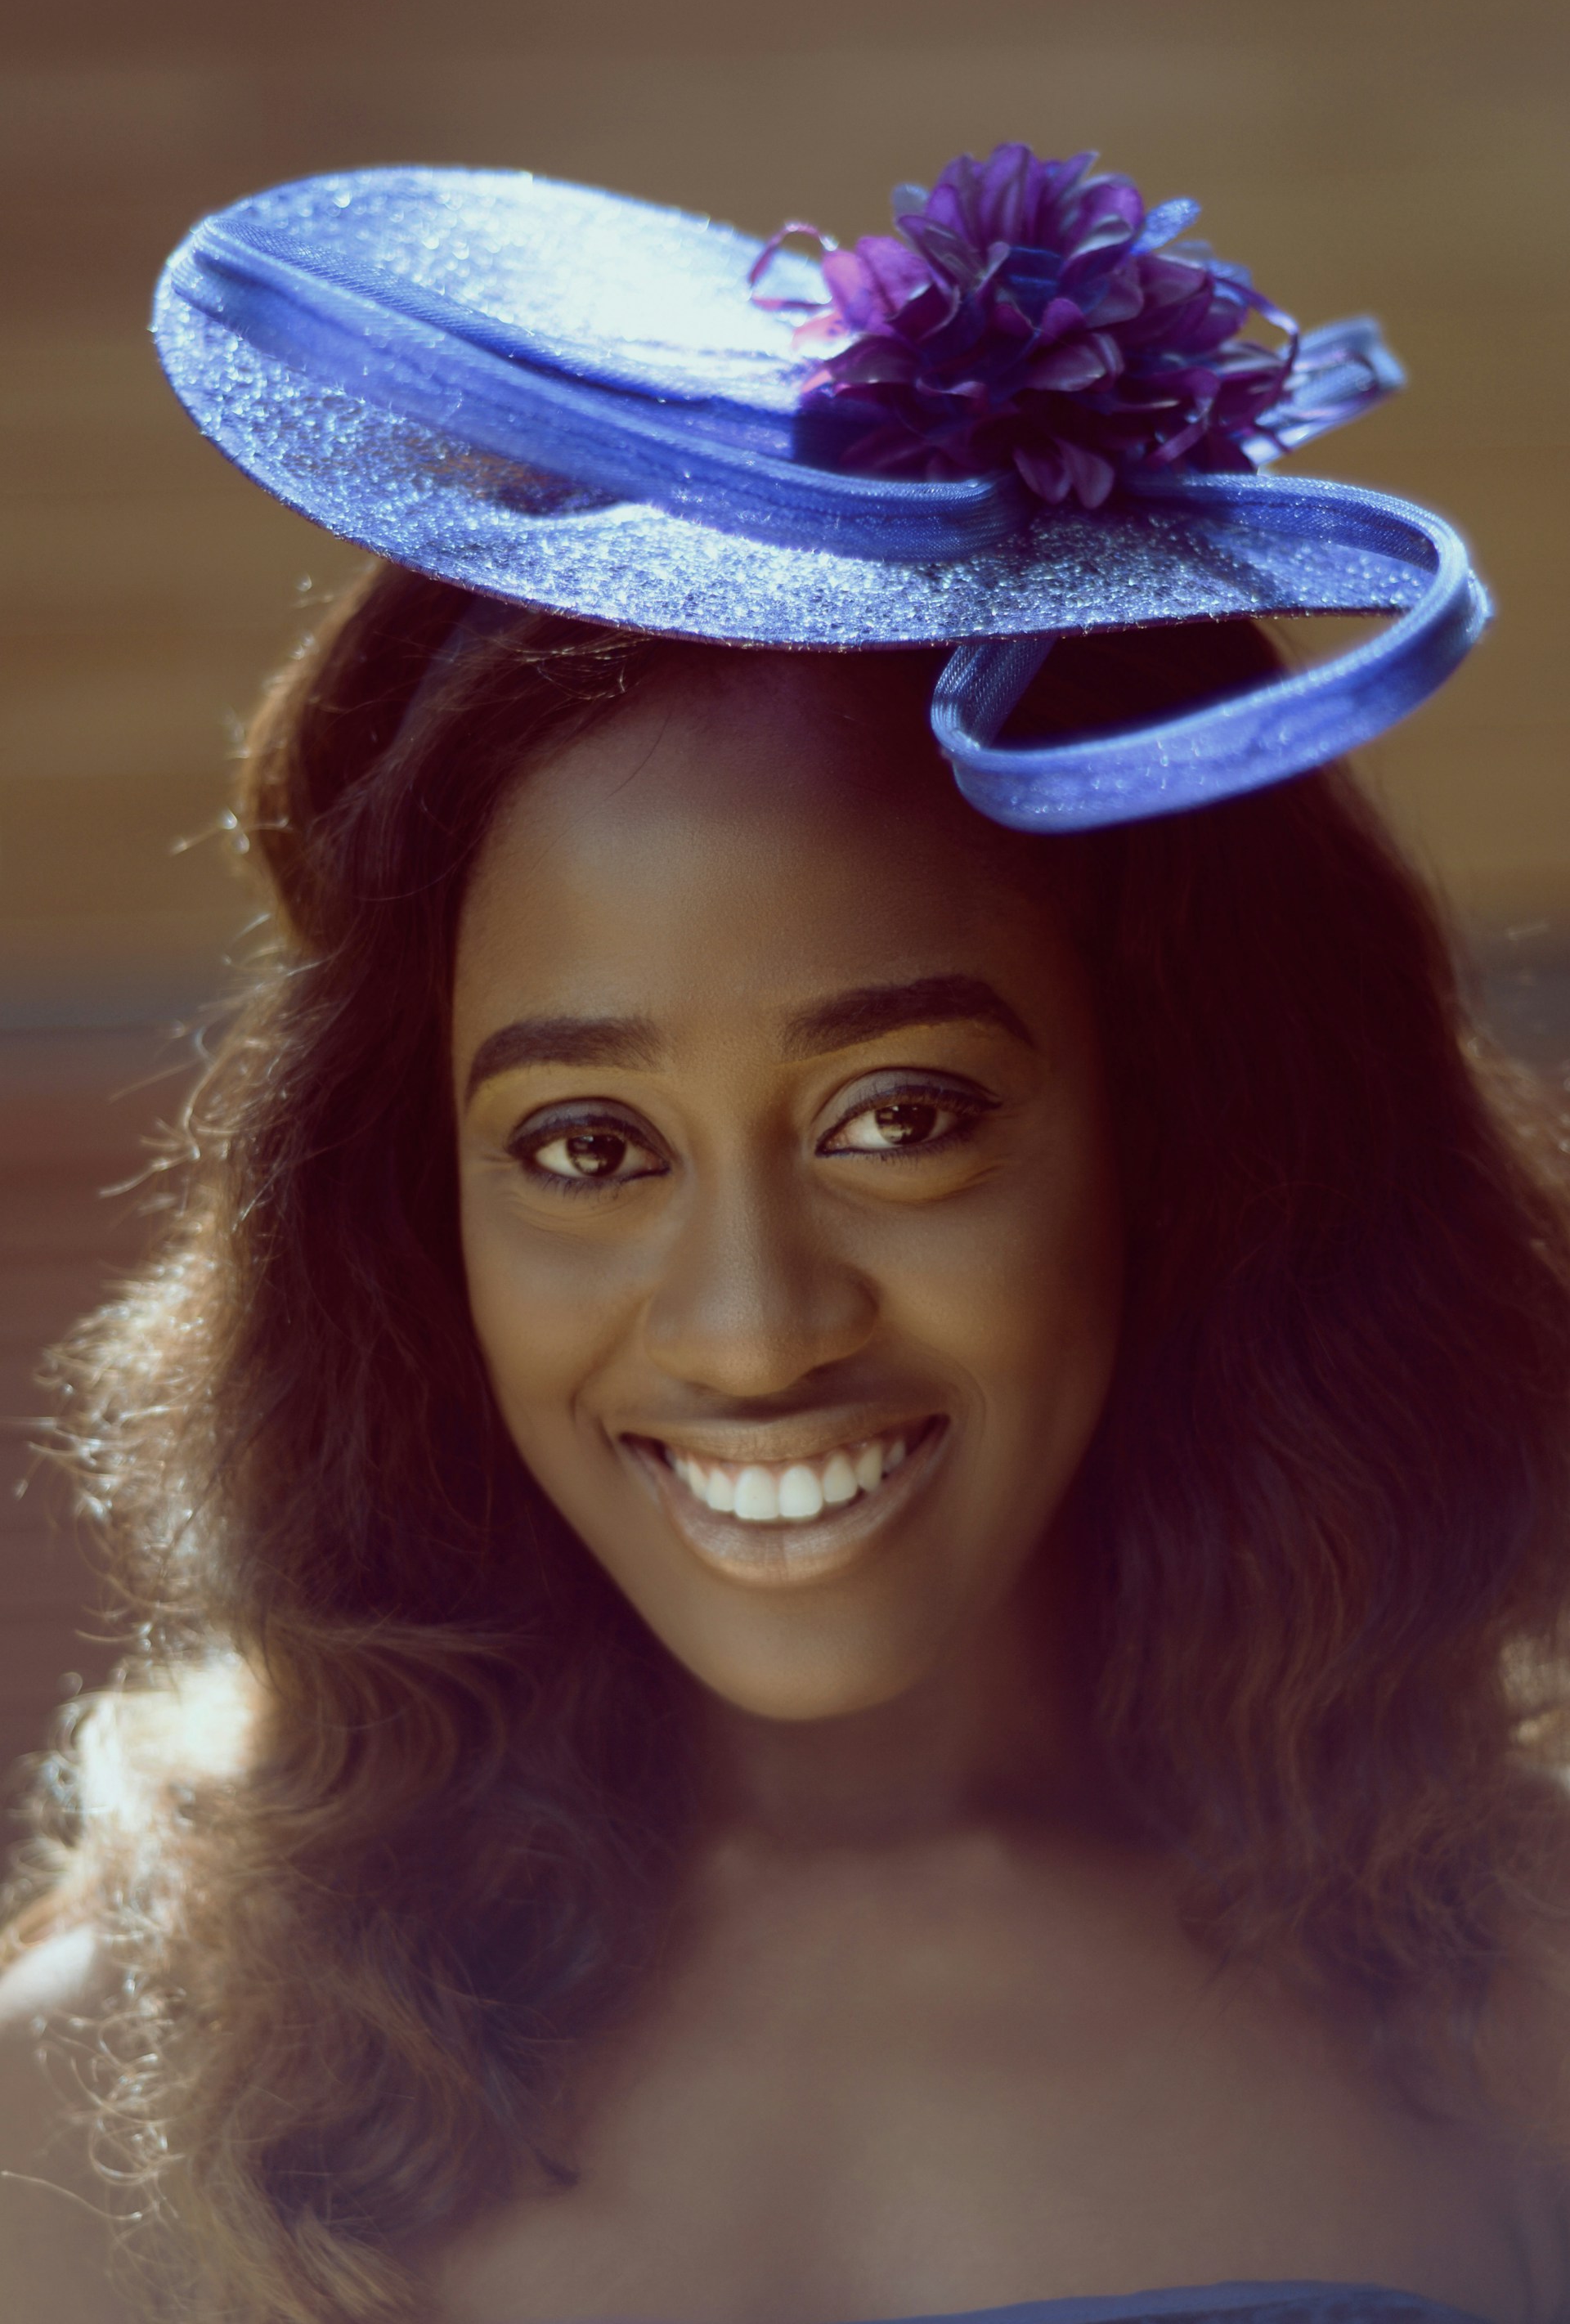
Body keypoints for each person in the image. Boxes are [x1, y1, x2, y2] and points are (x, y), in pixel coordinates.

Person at [4, 144, 1568, 2324]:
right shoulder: (122, 2087)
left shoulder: (1521, 2002)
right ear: (409, 1223)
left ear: (1180, 1129)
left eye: (898, 1116)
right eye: (581, 1148)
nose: (750, 1329)